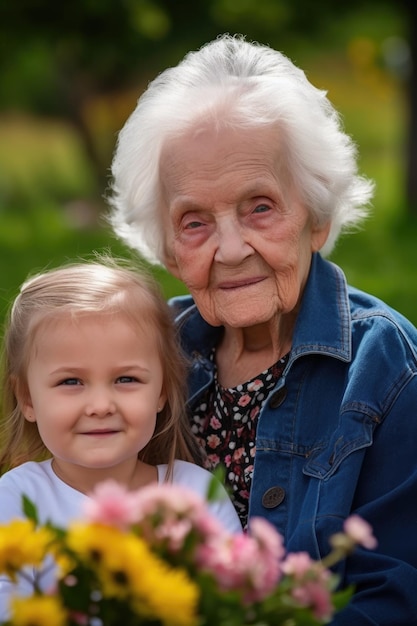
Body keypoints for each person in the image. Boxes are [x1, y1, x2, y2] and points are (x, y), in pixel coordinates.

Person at [107, 33, 417, 625]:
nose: (229, 249)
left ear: (317, 217)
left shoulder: (386, 367)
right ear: (168, 250)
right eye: (194, 221)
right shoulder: (145, 354)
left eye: (260, 207)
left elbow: (395, 597)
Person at [0, 258, 242, 617]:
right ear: (28, 399)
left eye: (126, 379)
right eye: (71, 382)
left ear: (161, 391)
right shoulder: (18, 498)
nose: (100, 405)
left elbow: (234, 601)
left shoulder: (192, 496)